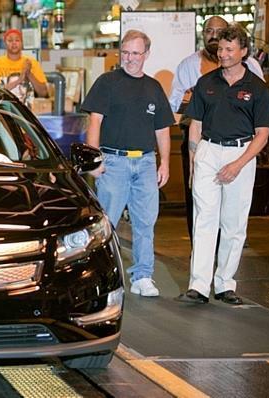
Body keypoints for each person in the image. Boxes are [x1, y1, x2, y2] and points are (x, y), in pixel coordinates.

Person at [175, 24, 269, 305]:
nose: (223, 54)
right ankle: (198, 286)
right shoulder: (207, 83)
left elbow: (263, 134)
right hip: (209, 151)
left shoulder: (257, 88)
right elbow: (196, 124)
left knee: (233, 224)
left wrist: (238, 164)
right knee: (204, 220)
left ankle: (224, 285)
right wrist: (195, 161)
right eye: (220, 49)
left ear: (244, 52)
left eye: (229, 49)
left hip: (241, 155)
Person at [80, 30, 174, 297]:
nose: (130, 58)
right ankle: (105, 276)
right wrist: (94, 160)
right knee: (106, 223)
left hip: (145, 163)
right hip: (113, 163)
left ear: (146, 55)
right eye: (126, 52)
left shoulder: (154, 87)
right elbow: (94, 121)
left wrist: (164, 162)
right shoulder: (107, 82)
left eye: (136, 53)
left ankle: (143, 276)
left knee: (145, 223)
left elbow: (162, 130)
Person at [169, 16, 264, 244]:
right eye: (208, 31)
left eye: (218, 31)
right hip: (199, 139)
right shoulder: (189, 65)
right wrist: (196, 100)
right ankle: (200, 249)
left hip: (240, 142)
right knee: (200, 205)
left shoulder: (251, 67)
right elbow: (175, 104)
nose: (213, 35)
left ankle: (227, 248)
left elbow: (260, 103)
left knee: (234, 209)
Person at [0, 29, 48, 106]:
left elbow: (43, 93)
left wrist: (29, 73)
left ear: (22, 43)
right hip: (2, 112)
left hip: (28, 114)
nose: (14, 43)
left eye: (17, 40)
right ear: (5, 43)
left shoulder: (31, 63)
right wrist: (19, 80)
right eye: (10, 40)